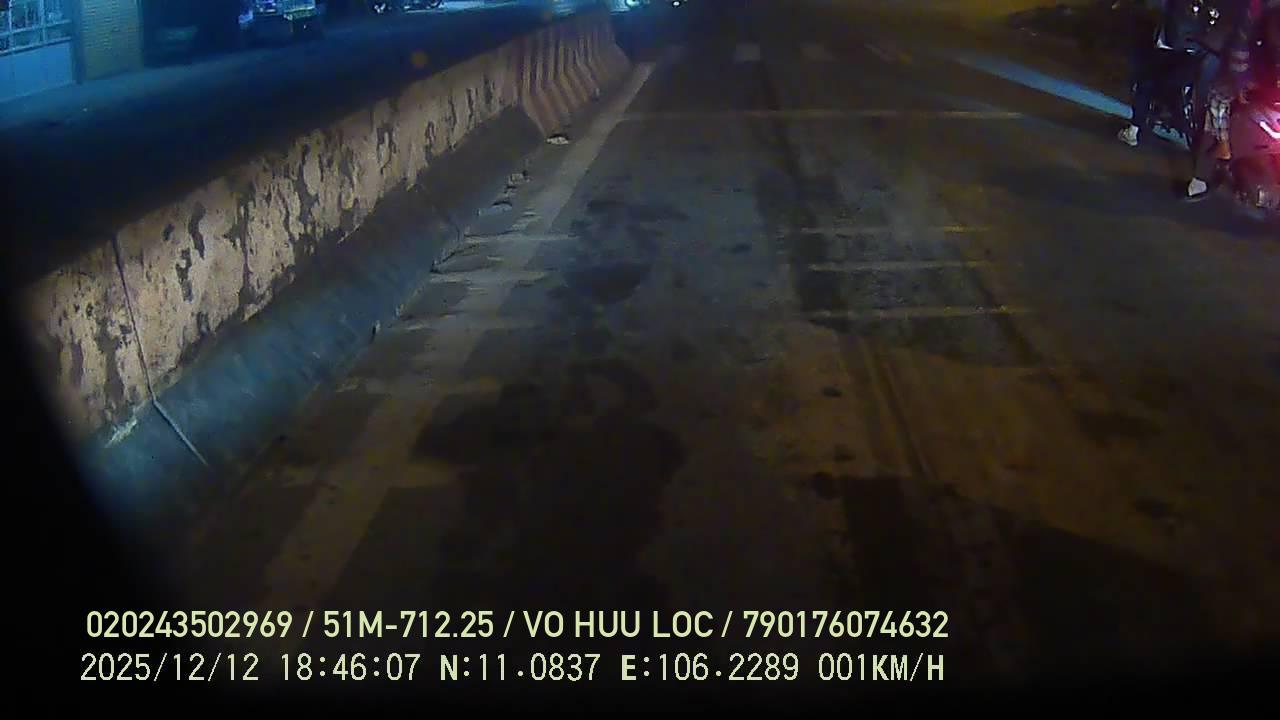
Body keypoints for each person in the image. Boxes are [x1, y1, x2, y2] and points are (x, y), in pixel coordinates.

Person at [1184, 0, 1279, 200]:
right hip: (1250, 64)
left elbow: (1245, 45)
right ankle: (1209, 167)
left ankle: (1224, 150)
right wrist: (1242, 81)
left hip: (1262, 71)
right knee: (1218, 96)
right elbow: (1241, 44)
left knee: (1219, 97)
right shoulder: (1256, 8)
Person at [1118, 0, 1214, 147]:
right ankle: (1178, 112)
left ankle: (1134, 130)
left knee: (1145, 82)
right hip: (1193, 56)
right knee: (1180, 82)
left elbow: (1152, 6)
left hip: (1166, 51)